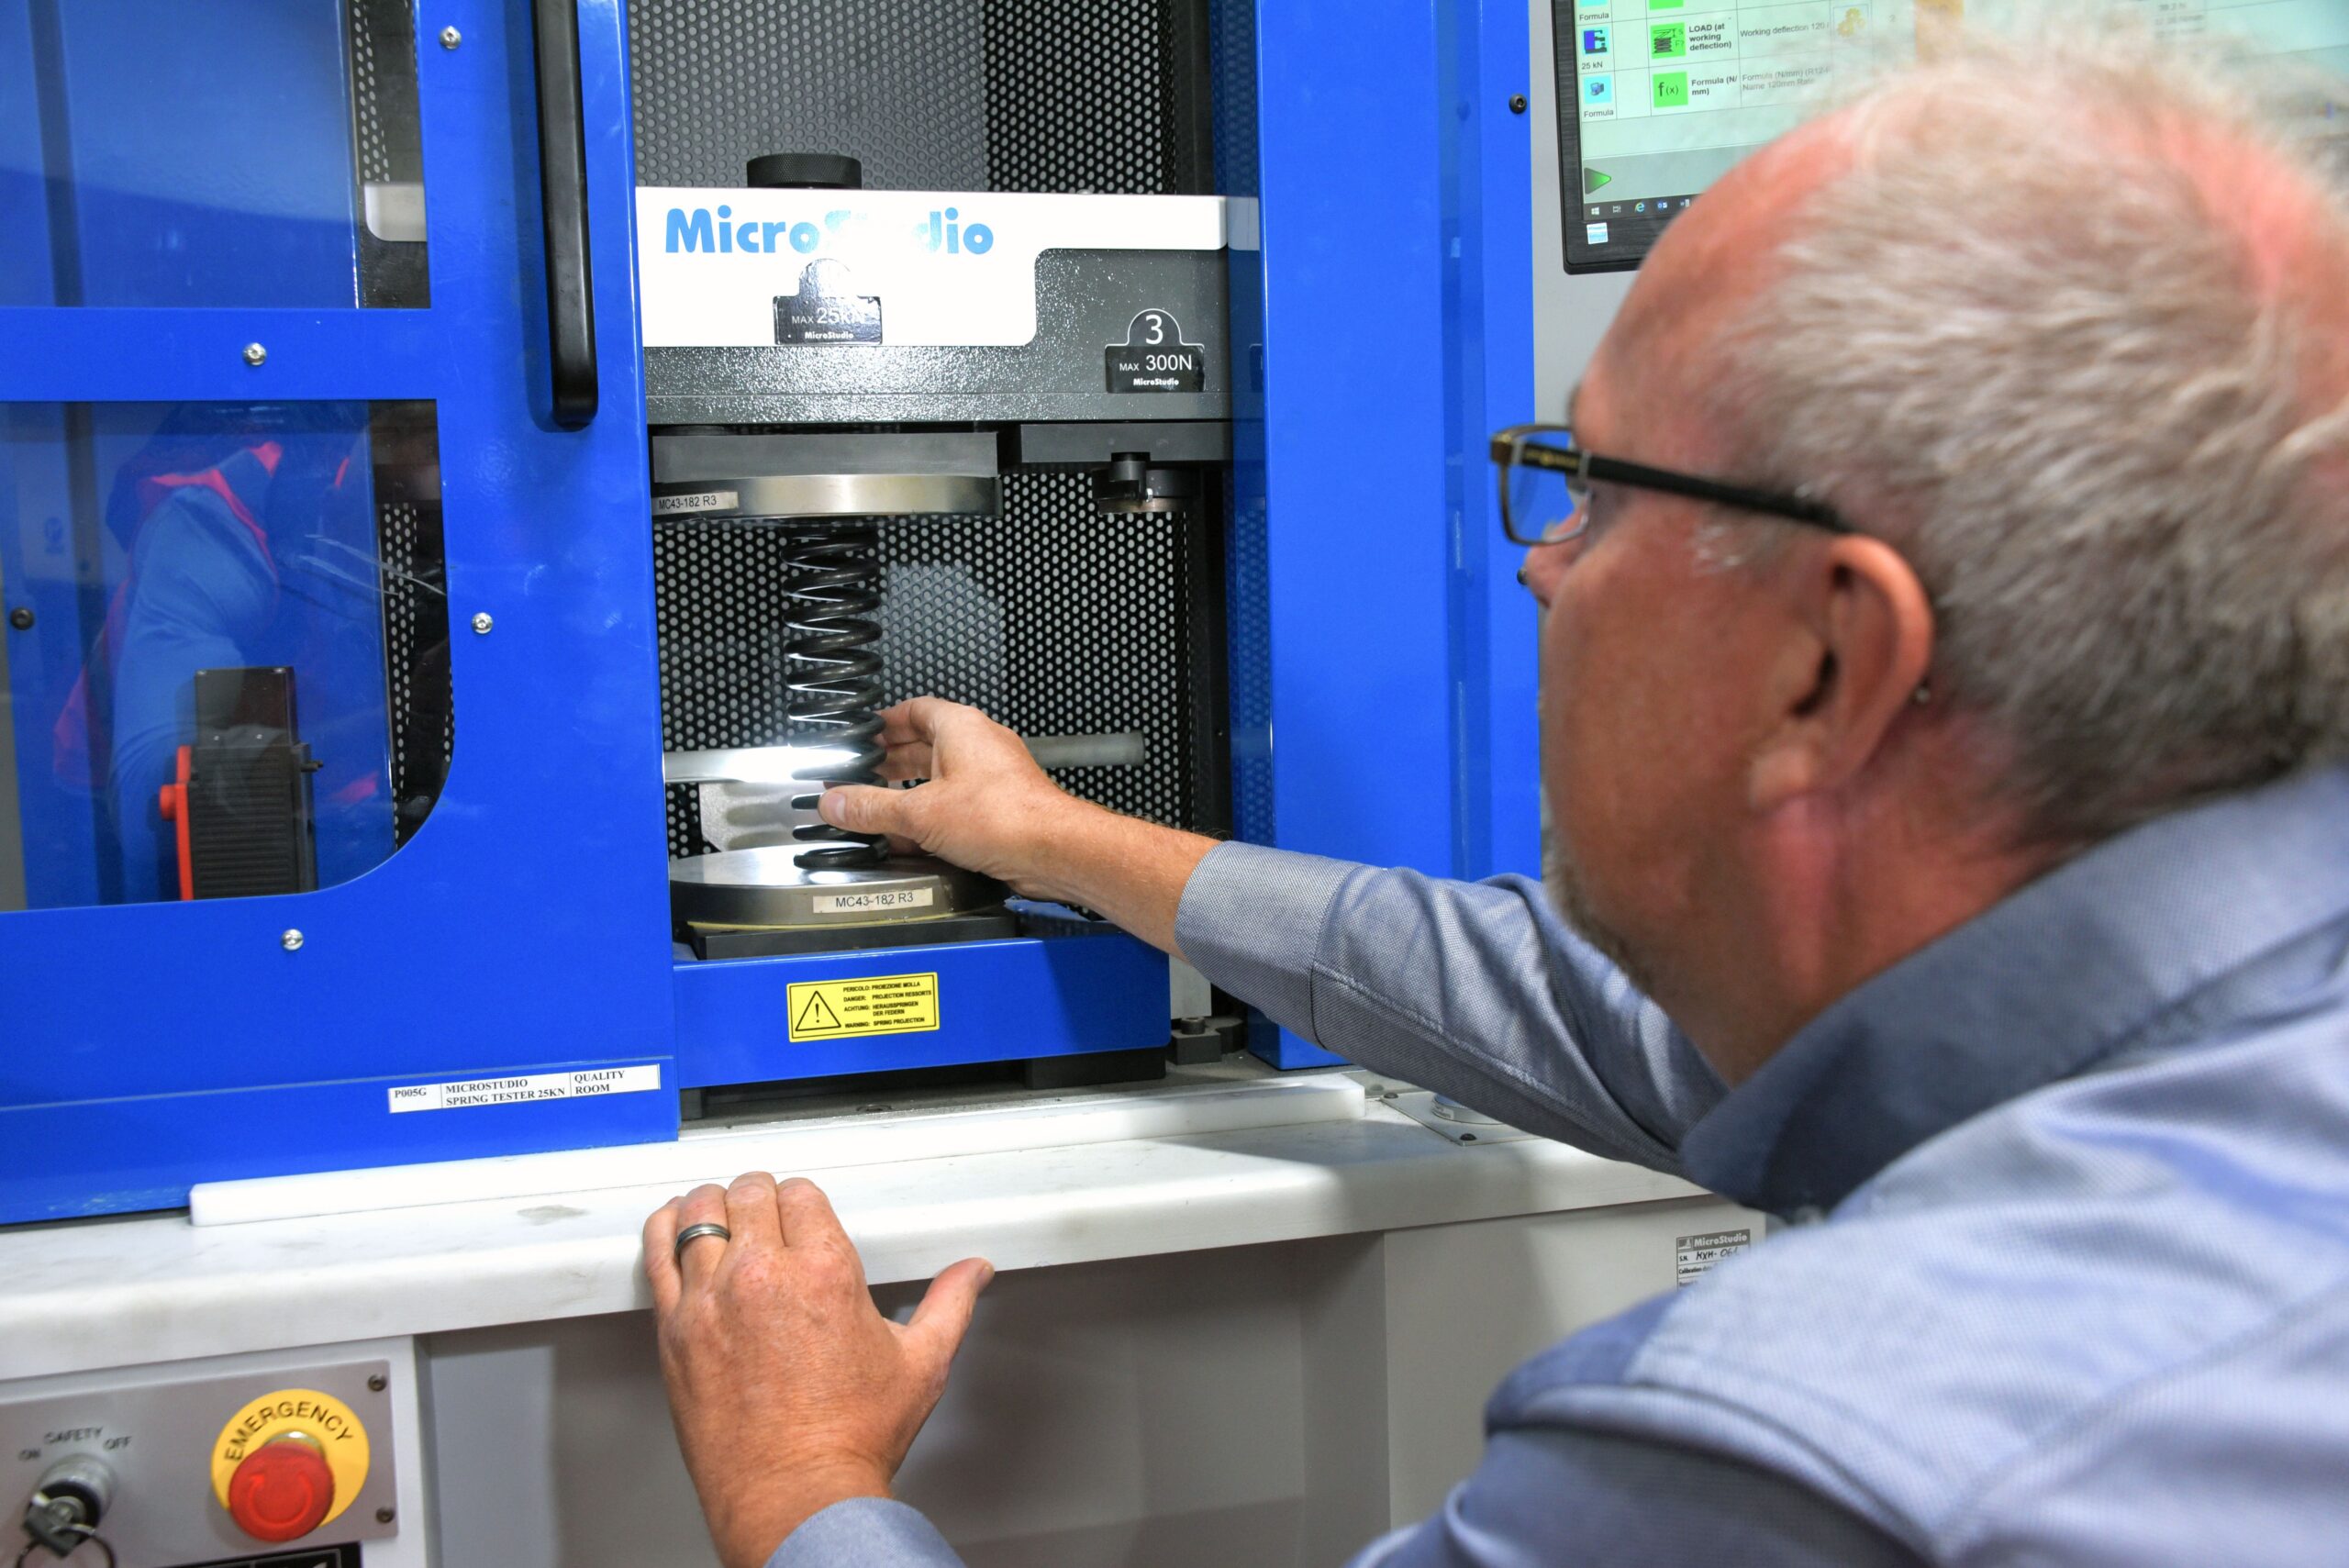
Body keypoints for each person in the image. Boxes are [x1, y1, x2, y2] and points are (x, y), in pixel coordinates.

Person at [642, 25, 2349, 1568]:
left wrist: (802, 1480)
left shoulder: (1806, 1459)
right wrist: (1057, 842)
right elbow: (1580, 1009)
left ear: (1826, 663)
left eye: (1592, 492)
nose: (1540, 566)